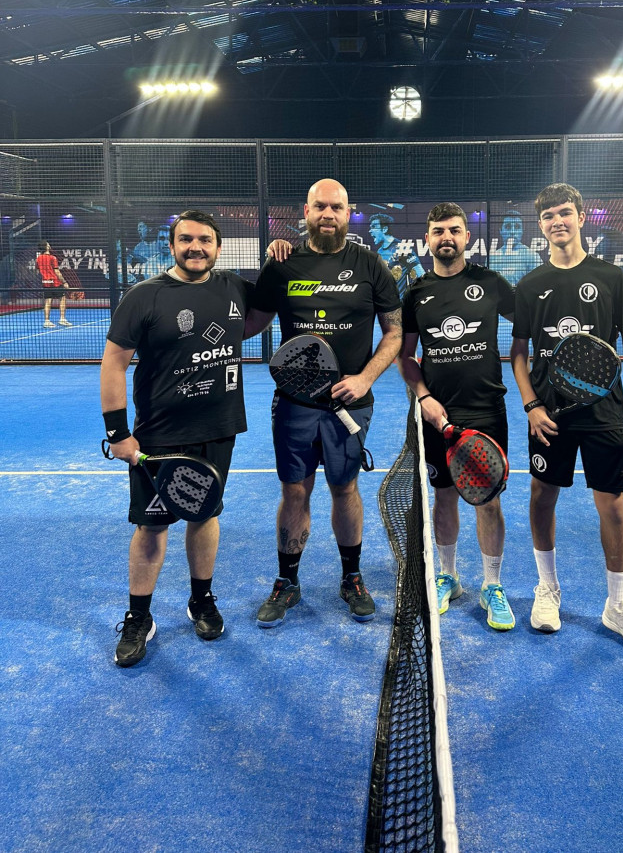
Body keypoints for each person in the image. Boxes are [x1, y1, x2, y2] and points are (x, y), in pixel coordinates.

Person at [100, 210, 270, 667]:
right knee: (152, 527)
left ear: (218, 247)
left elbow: (257, 316)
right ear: (173, 245)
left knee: (205, 513)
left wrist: (278, 260)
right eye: (186, 239)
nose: (196, 247)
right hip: (159, 435)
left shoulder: (233, 287)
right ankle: (139, 617)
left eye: (205, 240)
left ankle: (201, 600)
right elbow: (113, 363)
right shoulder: (145, 296)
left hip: (218, 427)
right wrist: (118, 433)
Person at [510, 183, 623, 653]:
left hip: (603, 409)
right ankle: (547, 589)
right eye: (548, 215)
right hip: (549, 414)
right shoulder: (529, 285)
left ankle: (618, 606)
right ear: (541, 225)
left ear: (580, 217)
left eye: (565, 212)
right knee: (542, 496)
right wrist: (531, 405)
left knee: (612, 505)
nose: (557, 221)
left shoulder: (610, 277)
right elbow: (518, 353)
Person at [251, 179, 402, 627]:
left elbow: (394, 333)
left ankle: (352, 577)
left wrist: (365, 378)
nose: (328, 214)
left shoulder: (370, 265)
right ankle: (287, 581)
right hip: (294, 404)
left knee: (345, 488)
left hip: (350, 404)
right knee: (294, 491)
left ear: (348, 212)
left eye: (336, 207)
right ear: (306, 211)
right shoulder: (282, 264)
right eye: (320, 206)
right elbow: (251, 321)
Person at [398, 202, 517, 631]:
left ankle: (492, 585)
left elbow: (529, 325)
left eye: (453, 230)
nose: (446, 237)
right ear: (427, 239)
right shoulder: (415, 293)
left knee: (488, 499)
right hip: (437, 414)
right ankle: (448, 575)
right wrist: (424, 397)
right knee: (444, 495)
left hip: (486, 409)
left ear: (467, 237)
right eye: (438, 231)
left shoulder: (490, 283)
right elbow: (405, 356)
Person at [368, 213, 425, 294]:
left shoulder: (402, 248)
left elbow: (421, 275)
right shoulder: (379, 251)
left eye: (374, 227)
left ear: (384, 229)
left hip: (401, 301)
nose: (370, 231)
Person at [488, 209, 538, 286]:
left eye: (517, 227)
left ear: (522, 231)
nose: (512, 232)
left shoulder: (533, 257)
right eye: (508, 227)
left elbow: (537, 285)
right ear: (500, 230)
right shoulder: (492, 258)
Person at [35, 240, 71, 328]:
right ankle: (62, 319)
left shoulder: (38, 258)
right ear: (46, 247)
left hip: (45, 282)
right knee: (62, 298)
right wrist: (64, 282)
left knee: (48, 301)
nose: (49, 245)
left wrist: (45, 275)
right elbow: (57, 272)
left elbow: (37, 271)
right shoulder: (52, 258)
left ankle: (47, 321)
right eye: (48, 244)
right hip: (55, 282)